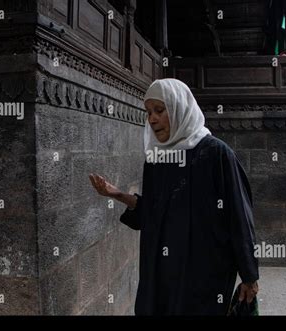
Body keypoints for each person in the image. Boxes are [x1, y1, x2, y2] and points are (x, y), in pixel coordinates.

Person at [89, 78, 259, 315]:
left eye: (159, 110)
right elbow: (151, 211)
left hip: (204, 273)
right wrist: (117, 194)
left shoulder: (216, 154)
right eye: (148, 112)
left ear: (180, 108)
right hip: (161, 272)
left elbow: (239, 215)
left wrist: (249, 275)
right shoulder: (156, 159)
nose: (152, 119)